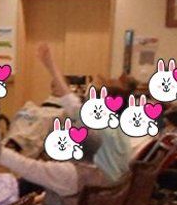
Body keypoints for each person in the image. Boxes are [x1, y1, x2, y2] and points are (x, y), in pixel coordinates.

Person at [37, 43, 131, 183]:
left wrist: (50, 65)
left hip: (96, 186)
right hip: (115, 188)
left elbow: (69, 99)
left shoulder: (100, 126)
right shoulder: (122, 131)